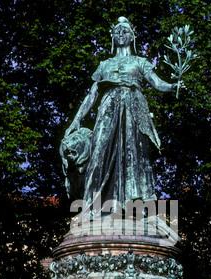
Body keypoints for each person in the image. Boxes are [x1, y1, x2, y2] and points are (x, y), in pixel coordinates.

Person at [61, 16, 180, 214]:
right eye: (117, 31)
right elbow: (92, 95)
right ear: (113, 37)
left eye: (125, 31)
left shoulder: (140, 62)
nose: (121, 34)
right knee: (98, 153)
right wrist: (76, 120)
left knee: (134, 155)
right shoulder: (104, 65)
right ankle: (92, 205)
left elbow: (157, 83)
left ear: (132, 36)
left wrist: (173, 86)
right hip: (108, 108)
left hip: (133, 107)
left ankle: (136, 205)